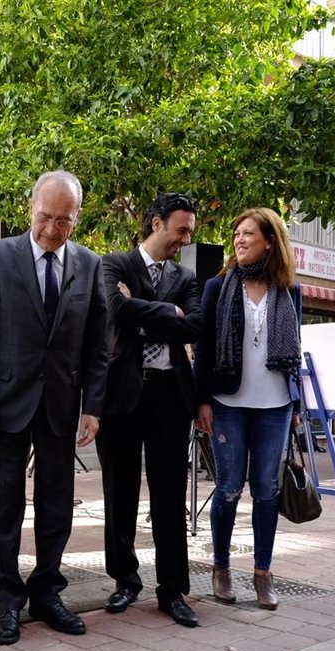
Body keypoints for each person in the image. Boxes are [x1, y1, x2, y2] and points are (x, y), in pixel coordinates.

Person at [0, 170, 110, 645]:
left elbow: (97, 345)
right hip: (5, 406)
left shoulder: (90, 265)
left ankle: (47, 591)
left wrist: (93, 406)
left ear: (77, 218)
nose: (51, 229)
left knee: (55, 505)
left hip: (61, 405)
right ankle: (7, 599)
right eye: (45, 217)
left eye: (62, 220)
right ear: (31, 209)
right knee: (2, 505)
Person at [97, 193, 204, 627]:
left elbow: (195, 324)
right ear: (157, 224)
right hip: (121, 396)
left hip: (169, 399)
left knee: (168, 496)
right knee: (118, 494)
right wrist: (167, 313)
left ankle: (173, 590)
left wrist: (144, 314)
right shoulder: (115, 264)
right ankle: (125, 580)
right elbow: (115, 308)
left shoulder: (187, 276)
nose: (185, 239)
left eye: (190, 233)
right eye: (181, 230)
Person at [192, 208, 302, 611]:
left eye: (248, 234)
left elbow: (296, 351)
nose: (239, 240)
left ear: (270, 241)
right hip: (228, 403)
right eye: (236, 234)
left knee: (267, 492)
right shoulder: (218, 288)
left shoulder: (290, 289)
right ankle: (221, 568)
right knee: (228, 489)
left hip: (275, 405)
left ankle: (262, 574)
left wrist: (297, 405)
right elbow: (202, 350)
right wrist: (200, 400)